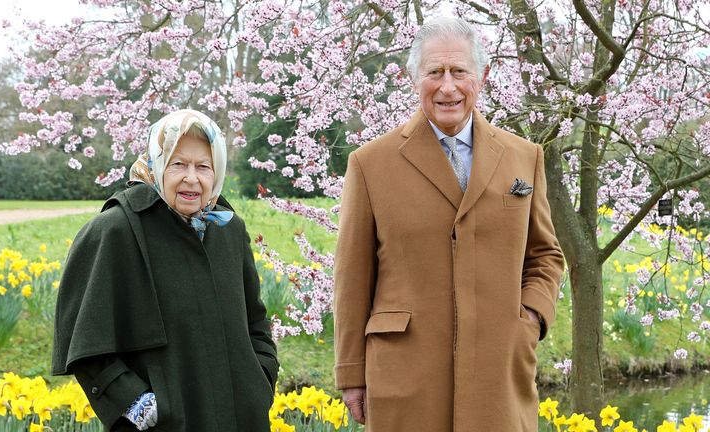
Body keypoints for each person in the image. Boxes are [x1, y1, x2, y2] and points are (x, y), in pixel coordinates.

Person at [333, 16, 565, 432]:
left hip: (499, 372)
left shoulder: (523, 157)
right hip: (406, 375)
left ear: (483, 76)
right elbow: (352, 276)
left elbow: (545, 253)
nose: (447, 87)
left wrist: (530, 317)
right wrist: (351, 373)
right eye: (434, 72)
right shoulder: (370, 164)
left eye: (460, 71)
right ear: (413, 79)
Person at [52, 109, 278, 432]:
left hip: (243, 419)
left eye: (203, 166)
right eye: (178, 164)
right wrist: (134, 403)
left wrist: (261, 379)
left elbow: (256, 321)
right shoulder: (118, 229)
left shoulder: (228, 228)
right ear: (158, 164)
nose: (191, 178)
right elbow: (83, 337)